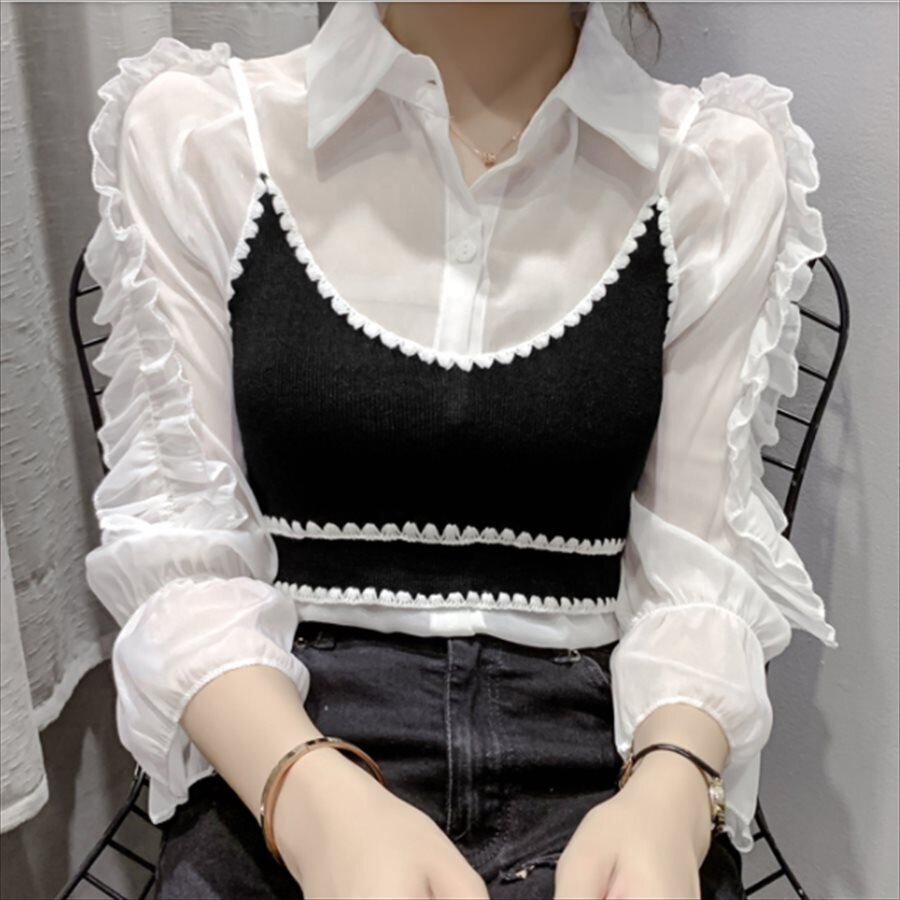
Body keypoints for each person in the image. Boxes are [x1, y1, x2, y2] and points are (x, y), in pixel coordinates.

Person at [83, 2, 837, 898]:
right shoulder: (201, 137)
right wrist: (311, 800)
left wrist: (670, 793)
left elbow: (699, 568)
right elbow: (180, 554)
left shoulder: (714, 168)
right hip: (281, 732)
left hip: (602, 754)